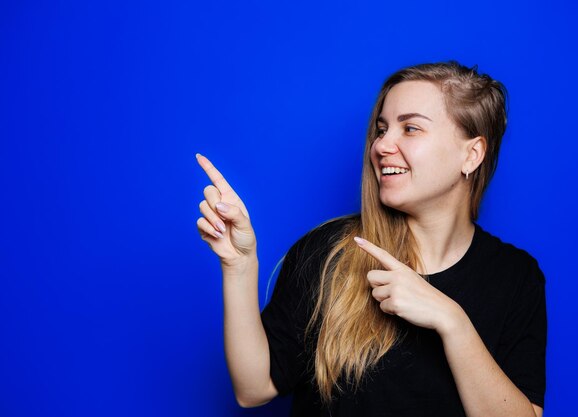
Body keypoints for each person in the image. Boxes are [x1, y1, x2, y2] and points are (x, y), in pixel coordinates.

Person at [195, 60, 547, 417]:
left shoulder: (517, 277)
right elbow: (253, 388)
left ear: (471, 154)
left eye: (410, 128)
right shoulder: (327, 252)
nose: (381, 146)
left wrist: (452, 322)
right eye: (381, 129)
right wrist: (239, 265)